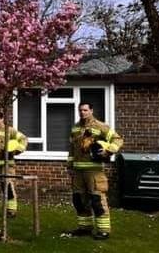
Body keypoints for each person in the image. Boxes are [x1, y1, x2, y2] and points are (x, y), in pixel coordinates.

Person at [68, 102, 123, 240]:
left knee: (97, 200)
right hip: (78, 172)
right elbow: (72, 149)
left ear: (91, 110)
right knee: (79, 200)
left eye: (85, 110)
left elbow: (117, 139)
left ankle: (104, 230)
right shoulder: (75, 128)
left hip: (94, 171)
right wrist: (69, 165)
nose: (82, 113)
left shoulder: (100, 126)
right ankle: (84, 228)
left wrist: (108, 151)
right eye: (80, 110)